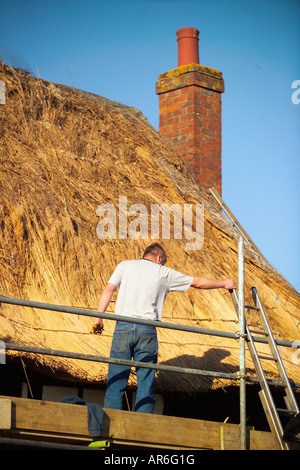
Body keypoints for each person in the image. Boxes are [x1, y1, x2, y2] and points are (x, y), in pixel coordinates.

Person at [91, 243, 237, 413]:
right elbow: (197, 282)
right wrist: (223, 283)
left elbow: (108, 289)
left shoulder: (125, 265)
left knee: (116, 379)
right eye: (163, 262)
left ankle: (111, 424)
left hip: (122, 327)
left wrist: (99, 318)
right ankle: (142, 428)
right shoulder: (163, 273)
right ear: (159, 257)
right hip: (147, 330)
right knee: (145, 381)